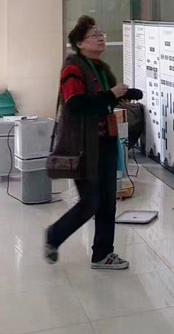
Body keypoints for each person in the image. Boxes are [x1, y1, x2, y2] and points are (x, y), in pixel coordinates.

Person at [45, 16, 139, 269]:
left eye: (101, 34)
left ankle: (102, 254)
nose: (101, 39)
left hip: (106, 141)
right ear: (80, 43)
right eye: (94, 35)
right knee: (90, 201)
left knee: (108, 200)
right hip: (83, 145)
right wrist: (110, 95)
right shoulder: (73, 68)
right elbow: (76, 104)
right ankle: (54, 235)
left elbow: (105, 99)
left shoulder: (101, 68)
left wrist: (126, 94)